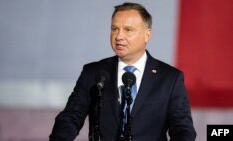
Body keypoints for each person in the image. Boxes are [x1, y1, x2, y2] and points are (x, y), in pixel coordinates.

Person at [49, 2, 196, 141]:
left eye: (128, 30)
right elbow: (70, 117)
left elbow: (183, 129)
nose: (119, 36)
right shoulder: (93, 73)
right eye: (114, 29)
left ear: (147, 35)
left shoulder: (169, 78)